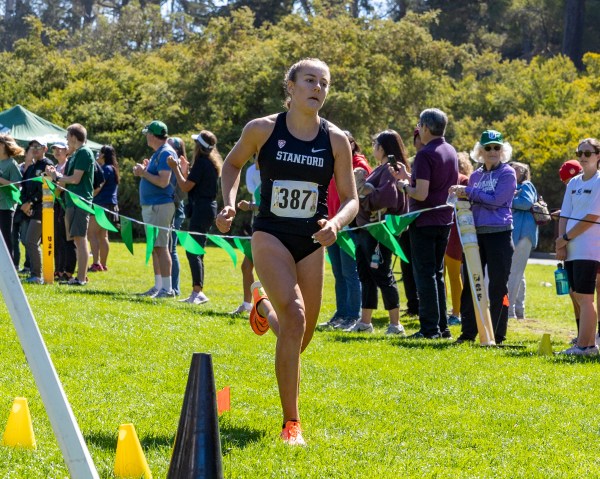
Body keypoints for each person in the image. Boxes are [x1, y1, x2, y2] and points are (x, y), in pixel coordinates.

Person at [216, 58, 358, 446]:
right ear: (291, 87)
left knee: (299, 336)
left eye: (324, 83)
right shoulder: (263, 129)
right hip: (271, 234)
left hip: (312, 240)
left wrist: (336, 223)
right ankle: (291, 423)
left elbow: (351, 199)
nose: (317, 88)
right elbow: (231, 165)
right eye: (309, 80)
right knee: (294, 318)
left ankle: (262, 308)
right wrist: (228, 203)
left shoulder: (336, 139)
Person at [450, 129, 516, 345]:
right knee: (470, 284)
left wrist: (469, 192)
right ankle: (468, 333)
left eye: (497, 147)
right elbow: (472, 201)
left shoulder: (508, 173)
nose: (493, 151)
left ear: (503, 150)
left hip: (500, 235)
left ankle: (497, 335)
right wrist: (460, 194)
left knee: (498, 286)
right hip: (475, 237)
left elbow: (498, 200)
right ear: (480, 151)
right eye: (488, 148)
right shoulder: (476, 176)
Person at [403, 108, 458, 339]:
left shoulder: (425, 154)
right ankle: (442, 327)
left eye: (419, 125)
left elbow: (421, 193)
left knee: (424, 275)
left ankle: (429, 329)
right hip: (445, 219)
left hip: (425, 220)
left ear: (425, 127)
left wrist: (404, 187)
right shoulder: (450, 150)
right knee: (437, 274)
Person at [346, 130, 407, 335]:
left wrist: (365, 196)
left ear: (382, 148)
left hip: (379, 232)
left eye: (375, 145)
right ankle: (365, 323)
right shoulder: (380, 169)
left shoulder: (392, 168)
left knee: (382, 273)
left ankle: (395, 325)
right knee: (366, 274)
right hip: (365, 231)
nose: (373, 149)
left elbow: (389, 198)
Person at [319, 130, 371, 330]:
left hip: (348, 225)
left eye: (344, 142)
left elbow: (358, 190)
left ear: (352, 143)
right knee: (339, 272)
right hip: (332, 224)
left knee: (350, 273)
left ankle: (352, 316)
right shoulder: (333, 162)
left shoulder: (358, 163)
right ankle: (341, 314)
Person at [556, 138, 600, 355]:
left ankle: (585, 346)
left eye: (588, 153)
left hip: (589, 248)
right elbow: (565, 214)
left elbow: (592, 216)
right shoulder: (574, 183)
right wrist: (560, 243)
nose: (583, 156)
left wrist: (565, 236)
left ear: (598, 156)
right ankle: (587, 345)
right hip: (571, 247)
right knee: (576, 294)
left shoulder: (599, 182)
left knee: (585, 296)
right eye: (580, 152)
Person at [168, 130, 222, 304]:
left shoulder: (201, 163)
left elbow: (185, 187)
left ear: (200, 146)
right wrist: (185, 170)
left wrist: (175, 168)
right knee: (196, 250)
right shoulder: (209, 163)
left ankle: (197, 293)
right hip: (206, 209)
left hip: (202, 209)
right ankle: (197, 291)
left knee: (193, 251)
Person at [47, 125, 95, 286]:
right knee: (76, 239)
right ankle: (79, 277)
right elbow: (68, 179)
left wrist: (57, 175)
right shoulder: (75, 154)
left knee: (81, 240)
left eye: (67, 137)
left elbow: (75, 179)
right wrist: (55, 177)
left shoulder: (84, 152)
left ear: (74, 137)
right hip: (71, 202)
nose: (67, 140)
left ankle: (81, 278)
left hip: (80, 202)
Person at [133, 120, 177, 298]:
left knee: (161, 247)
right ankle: (158, 286)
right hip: (153, 204)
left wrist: (143, 172)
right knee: (155, 246)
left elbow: (163, 181)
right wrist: (145, 169)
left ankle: (167, 289)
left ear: (152, 135)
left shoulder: (166, 151)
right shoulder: (158, 153)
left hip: (160, 204)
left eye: (147, 134)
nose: (146, 137)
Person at [506, 161, 538, 320]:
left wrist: (503, 200)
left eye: (515, 168)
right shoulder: (513, 187)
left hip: (524, 234)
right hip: (518, 233)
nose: (511, 170)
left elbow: (526, 203)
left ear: (523, 172)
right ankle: (519, 310)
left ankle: (509, 311)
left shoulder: (526, 185)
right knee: (519, 273)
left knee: (514, 272)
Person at [230, 156, 261, 315]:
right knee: (246, 266)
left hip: (269, 231)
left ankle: (264, 306)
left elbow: (270, 206)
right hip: (258, 227)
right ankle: (247, 304)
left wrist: (249, 206)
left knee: (264, 270)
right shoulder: (258, 176)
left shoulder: (274, 178)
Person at [444, 152, 473, 326]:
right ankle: (445, 309)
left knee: (454, 275)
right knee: (442, 275)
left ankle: (457, 312)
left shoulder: (463, 180)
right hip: (444, 231)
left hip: (455, 233)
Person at [20, 139, 54, 284]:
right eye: (32, 146)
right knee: (26, 240)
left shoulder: (48, 165)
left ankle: (37, 275)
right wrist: (24, 204)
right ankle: (35, 273)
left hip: (42, 209)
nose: (34, 149)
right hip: (30, 209)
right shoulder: (31, 167)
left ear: (45, 149)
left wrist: (31, 203)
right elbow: (25, 187)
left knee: (31, 241)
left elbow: (45, 189)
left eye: (38, 147)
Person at [88, 145, 119, 272]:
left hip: (100, 204)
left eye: (99, 153)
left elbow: (98, 188)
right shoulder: (113, 168)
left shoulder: (105, 169)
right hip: (110, 205)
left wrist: (88, 196)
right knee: (103, 235)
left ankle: (96, 263)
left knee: (91, 233)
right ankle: (103, 264)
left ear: (103, 155)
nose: (97, 156)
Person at [49, 141, 76, 282]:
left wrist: (54, 179)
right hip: (56, 206)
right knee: (57, 239)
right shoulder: (54, 167)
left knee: (67, 240)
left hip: (65, 204)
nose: (57, 152)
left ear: (66, 150)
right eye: (55, 149)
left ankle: (67, 270)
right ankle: (58, 269)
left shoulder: (67, 166)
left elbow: (61, 187)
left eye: (60, 149)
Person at [167, 137, 187, 296]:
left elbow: (181, 191)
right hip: (168, 208)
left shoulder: (180, 164)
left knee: (171, 249)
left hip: (175, 210)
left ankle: (175, 287)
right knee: (165, 248)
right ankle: (165, 285)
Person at [0, 134, 24, 264]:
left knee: (6, 238)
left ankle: (10, 267)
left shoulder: (12, 164)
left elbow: (17, 185)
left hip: (6, 206)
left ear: (3, 145)